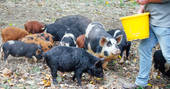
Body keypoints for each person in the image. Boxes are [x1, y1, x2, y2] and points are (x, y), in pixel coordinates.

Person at [123, 0, 170, 88]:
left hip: (166, 24)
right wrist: (142, 9)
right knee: (144, 48)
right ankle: (141, 83)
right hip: (150, 21)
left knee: (168, 55)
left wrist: (146, 0)